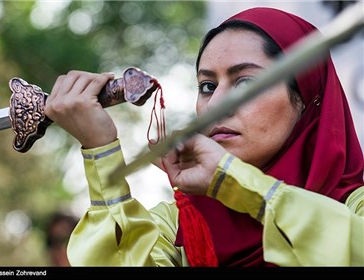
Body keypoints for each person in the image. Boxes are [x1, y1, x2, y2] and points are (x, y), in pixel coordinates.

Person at [44, 7, 364, 266]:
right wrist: (100, 149)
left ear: (308, 99)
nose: (217, 105)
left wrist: (233, 182)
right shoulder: (180, 225)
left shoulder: (354, 207)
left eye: (245, 83)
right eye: (207, 86)